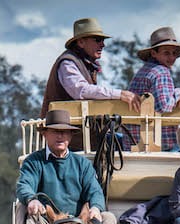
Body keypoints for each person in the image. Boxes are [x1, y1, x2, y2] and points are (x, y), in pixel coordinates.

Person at [13, 109, 117, 224]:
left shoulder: (81, 164)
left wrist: (96, 207)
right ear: (45, 134)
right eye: (55, 131)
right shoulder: (34, 161)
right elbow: (24, 185)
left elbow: (94, 190)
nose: (60, 136)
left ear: (70, 136)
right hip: (48, 223)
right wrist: (32, 199)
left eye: (64, 132)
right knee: (24, 208)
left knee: (108, 218)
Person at [41, 17, 143, 151]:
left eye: (103, 40)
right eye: (97, 40)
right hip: (66, 140)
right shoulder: (68, 63)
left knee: (126, 142)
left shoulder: (85, 63)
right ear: (81, 42)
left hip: (83, 138)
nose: (103, 45)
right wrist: (120, 94)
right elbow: (82, 91)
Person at [125, 26, 180, 151]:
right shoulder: (161, 71)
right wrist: (178, 93)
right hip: (161, 143)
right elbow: (164, 106)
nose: (171, 57)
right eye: (166, 53)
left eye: (174, 53)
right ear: (154, 53)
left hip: (134, 142)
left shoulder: (143, 71)